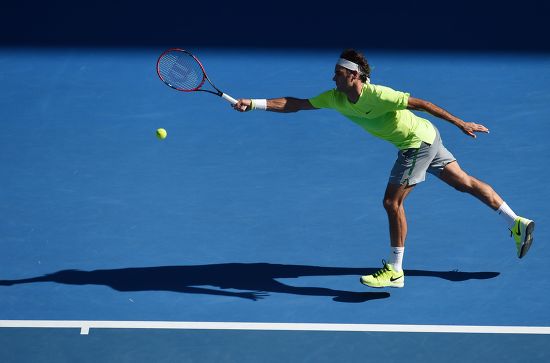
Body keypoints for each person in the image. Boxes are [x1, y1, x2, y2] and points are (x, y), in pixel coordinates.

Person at [231, 49, 535, 288]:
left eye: (337, 73)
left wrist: (460, 123)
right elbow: (294, 104)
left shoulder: (379, 95)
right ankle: (517, 221)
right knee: (465, 183)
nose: (331, 78)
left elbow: (423, 103)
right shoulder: (336, 98)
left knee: (392, 202)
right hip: (426, 136)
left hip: (418, 143)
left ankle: (394, 270)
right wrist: (253, 103)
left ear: (353, 75)